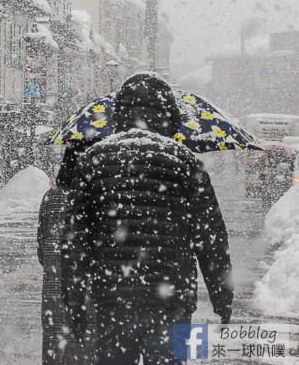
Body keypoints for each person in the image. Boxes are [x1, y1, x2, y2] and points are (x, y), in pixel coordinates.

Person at [63, 73, 233, 365]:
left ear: (119, 113)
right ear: (170, 115)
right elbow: (210, 235)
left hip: (112, 298)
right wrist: (222, 296)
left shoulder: (93, 159)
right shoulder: (185, 162)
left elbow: (75, 240)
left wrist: (74, 301)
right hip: (174, 299)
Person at [38, 144, 92, 365]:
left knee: (54, 345)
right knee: (86, 345)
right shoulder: (94, 199)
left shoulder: (51, 198)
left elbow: (41, 250)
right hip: (86, 289)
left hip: (54, 289)